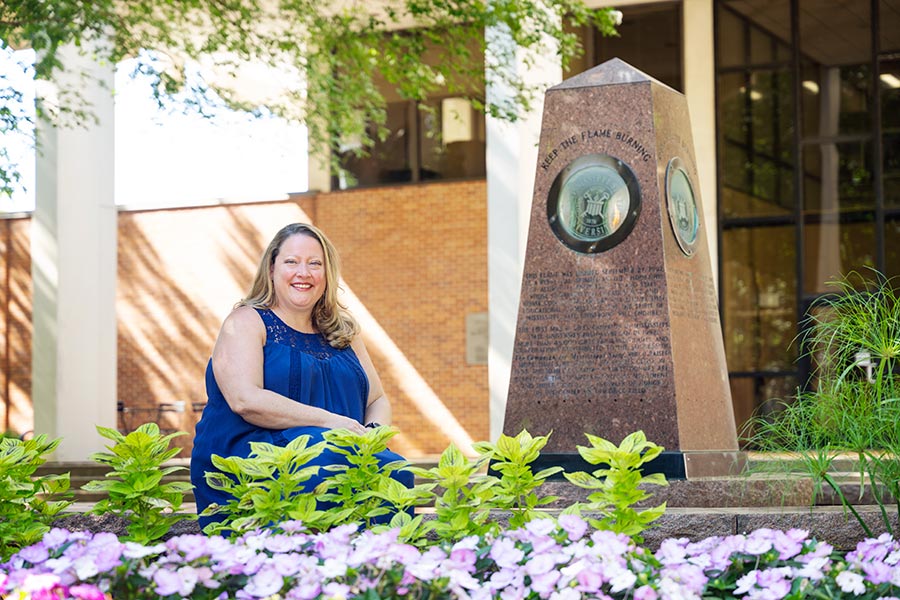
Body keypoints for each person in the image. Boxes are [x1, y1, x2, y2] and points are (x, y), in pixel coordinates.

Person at [190, 222, 412, 530]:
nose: (303, 273)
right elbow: (245, 400)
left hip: (340, 448)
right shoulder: (246, 322)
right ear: (271, 269)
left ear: (327, 273)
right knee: (327, 462)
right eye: (291, 262)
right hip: (258, 458)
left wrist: (373, 435)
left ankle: (375, 572)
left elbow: (377, 398)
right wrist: (333, 422)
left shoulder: (343, 330)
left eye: (314, 264)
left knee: (394, 470)